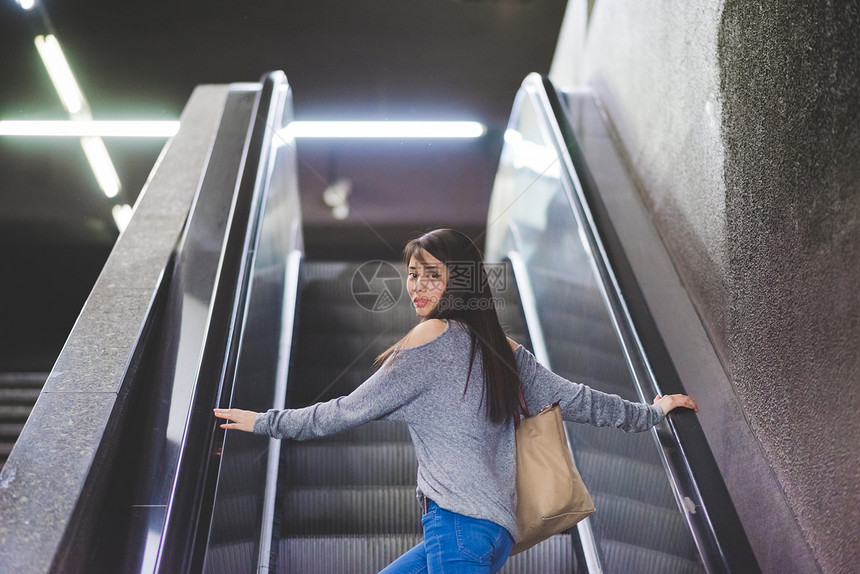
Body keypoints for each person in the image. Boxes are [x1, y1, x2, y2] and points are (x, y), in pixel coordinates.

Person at [214, 228, 698, 573]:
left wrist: (263, 422)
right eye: (412, 275)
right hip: (496, 534)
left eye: (432, 275)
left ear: (459, 282)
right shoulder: (504, 351)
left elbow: (345, 411)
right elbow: (579, 401)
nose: (417, 287)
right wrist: (651, 414)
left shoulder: (431, 339)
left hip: (458, 527)